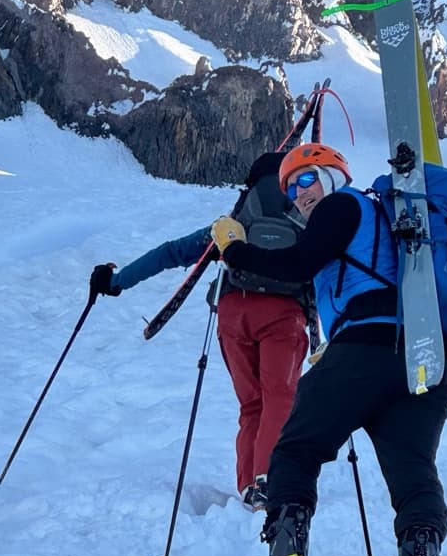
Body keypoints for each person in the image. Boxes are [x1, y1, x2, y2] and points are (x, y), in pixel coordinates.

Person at [210, 142, 447, 556]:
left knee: (295, 447)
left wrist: (235, 250)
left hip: (365, 349)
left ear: (333, 175)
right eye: (290, 189)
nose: (299, 194)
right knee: (413, 469)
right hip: (422, 357)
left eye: (306, 179)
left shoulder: (342, 205)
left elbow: (296, 264)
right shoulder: (384, 219)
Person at [90, 153, 311, 512]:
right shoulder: (305, 222)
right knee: (279, 398)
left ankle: (250, 485)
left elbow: (171, 253)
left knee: (252, 403)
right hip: (285, 316)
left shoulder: (233, 225)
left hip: (235, 312)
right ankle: (268, 479)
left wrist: (116, 282)